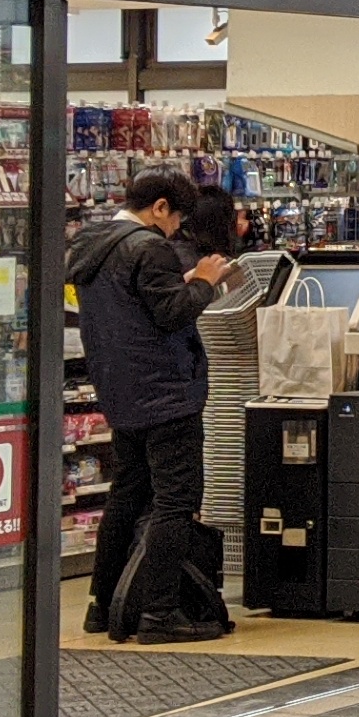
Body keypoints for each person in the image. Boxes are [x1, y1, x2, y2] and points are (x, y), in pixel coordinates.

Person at [68, 169, 234, 642]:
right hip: (165, 394)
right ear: (159, 207)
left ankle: (102, 607)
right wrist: (202, 282)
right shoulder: (148, 246)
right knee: (175, 503)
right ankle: (159, 615)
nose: (175, 228)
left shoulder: (94, 242)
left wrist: (179, 284)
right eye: (175, 218)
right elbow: (171, 315)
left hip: (122, 392)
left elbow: (134, 307)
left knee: (126, 496)